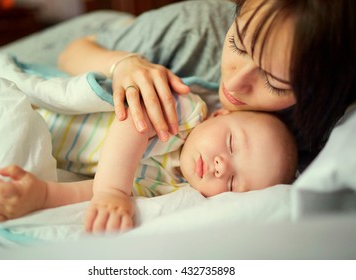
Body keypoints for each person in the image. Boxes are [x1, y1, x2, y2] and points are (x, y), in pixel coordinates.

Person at [57, 0, 356, 164]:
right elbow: (71, 52)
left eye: (276, 82)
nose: (235, 83)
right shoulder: (191, 31)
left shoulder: (330, 124)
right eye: (238, 44)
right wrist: (123, 64)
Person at [0, 92, 297, 233]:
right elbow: (133, 123)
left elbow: (98, 194)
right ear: (218, 115)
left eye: (231, 183)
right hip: (46, 112)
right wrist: (113, 192)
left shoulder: (171, 189)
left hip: (46, 145)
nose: (220, 166)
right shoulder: (182, 113)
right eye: (230, 144)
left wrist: (43, 195)